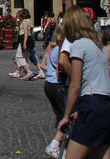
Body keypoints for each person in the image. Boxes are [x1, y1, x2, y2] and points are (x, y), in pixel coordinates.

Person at [56, 8, 110, 159]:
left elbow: (75, 84)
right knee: (99, 152)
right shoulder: (98, 46)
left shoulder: (79, 45)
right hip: (105, 105)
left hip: (91, 104)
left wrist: (66, 115)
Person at [41, 24, 68, 158]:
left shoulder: (50, 47)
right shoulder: (62, 49)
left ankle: (57, 140)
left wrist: (51, 72)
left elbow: (42, 65)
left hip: (48, 85)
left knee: (58, 115)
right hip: (58, 86)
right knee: (66, 116)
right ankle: (57, 145)